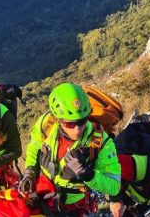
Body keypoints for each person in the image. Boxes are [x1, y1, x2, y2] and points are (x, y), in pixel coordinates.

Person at [19, 83, 121, 216]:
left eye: (82, 121)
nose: (77, 130)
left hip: (72, 206)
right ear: (57, 118)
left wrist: (87, 174)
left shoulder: (101, 142)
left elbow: (114, 187)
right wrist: (30, 172)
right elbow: (34, 146)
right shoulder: (47, 123)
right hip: (41, 193)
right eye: (69, 123)